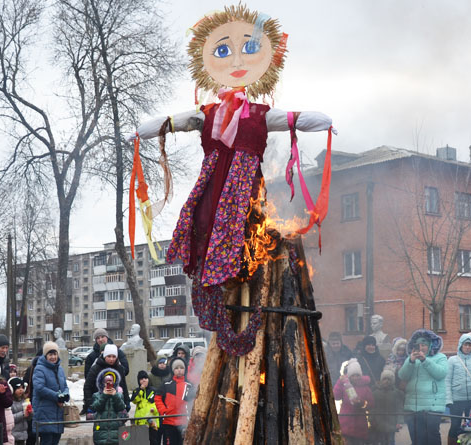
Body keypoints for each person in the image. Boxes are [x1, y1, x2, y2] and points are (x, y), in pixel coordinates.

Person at [135, 5, 333, 355]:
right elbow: (172, 122)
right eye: (223, 51)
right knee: (204, 223)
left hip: (243, 188)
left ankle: (236, 276)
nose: (237, 60)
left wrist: (322, 122)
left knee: (240, 228)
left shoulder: (259, 113)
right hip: (213, 185)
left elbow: (296, 119)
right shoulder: (207, 114)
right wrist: (145, 131)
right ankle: (217, 292)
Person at [397, 328, 447, 445]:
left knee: (432, 437)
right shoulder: (410, 358)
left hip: (432, 406)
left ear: (430, 345)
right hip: (413, 405)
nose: (421, 347)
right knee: (416, 438)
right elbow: (402, 375)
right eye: (418, 345)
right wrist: (411, 362)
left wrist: (425, 360)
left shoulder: (440, 357)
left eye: (424, 345)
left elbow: (441, 373)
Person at [446, 333, 471, 444]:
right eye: (465, 345)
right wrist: (448, 399)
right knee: (455, 425)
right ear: (460, 345)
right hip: (456, 399)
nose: (467, 347)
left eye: (469, 345)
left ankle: (469, 443)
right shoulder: (452, 360)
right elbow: (447, 381)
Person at [31, 342, 70, 445]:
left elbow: (65, 386)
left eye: (55, 354)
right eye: (50, 354)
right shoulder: (39, 368)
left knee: (55, 441)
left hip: (58, 413)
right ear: (45, 355)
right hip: (45, 413)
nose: (53, 357)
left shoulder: (60, 369)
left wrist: (65, 395)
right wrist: (57, 397)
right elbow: (39, 388)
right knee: (47, 441)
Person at [333, 358, 373, 445]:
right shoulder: (344, 385)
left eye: (357, 375)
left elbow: (371, 404)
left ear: (360, 375)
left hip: (360, 424)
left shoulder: (366, 387)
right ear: (349, 376)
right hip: (345, 422)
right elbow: (336, 397)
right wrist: (340, 382)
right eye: (353, 375)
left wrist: (362, 403)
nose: (355, 377)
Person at [154, 357, 193, 445]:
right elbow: (157, 397)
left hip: (184, 422)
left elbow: (193, 401)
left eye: (181, 368)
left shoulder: (189, 385)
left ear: (185, 369)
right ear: (172, 370)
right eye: (176, 368)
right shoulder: (166, 384)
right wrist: (163, 411)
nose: (179, 370)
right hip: (169, 421)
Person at [84, 344, 129, 415]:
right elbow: (87, 386)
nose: (111, 359)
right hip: (99, 403)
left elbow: (123, 385)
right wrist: (89, 403)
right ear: (104, 356)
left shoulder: (119, 368)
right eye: (109, 356)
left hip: (116, 403)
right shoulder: (96, 368)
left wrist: (127, 401)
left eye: (114, 356)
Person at [91, 369, 127, 445]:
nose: (108, 384)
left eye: (111, 382)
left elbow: (121, 407)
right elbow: (96, 407)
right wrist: (104, 395)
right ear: (102, 383)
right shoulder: (96, 395)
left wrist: (115, 396)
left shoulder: (119, 395)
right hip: (101, 432)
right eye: (106, 382)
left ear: (114, 383)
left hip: (116, 431)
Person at [369, 369, 401, 445]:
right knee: (381, 441)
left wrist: (399, 421)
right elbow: (372, 408)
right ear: (381, 380)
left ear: (392, 381)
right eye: (384, 379)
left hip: (392, 424)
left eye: (389, 379)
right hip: (379, 424)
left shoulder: (396, 393)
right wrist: (371, 419)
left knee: (391, 441)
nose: (386, 381)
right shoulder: (375, 393)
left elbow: (399, 408)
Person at [131, 370, 160, 445]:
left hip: (152, 421)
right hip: (141, 421)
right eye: (141, 379)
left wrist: (154, 410)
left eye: (145, 378)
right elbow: (134, 400)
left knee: (154, 441)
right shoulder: (136, 391)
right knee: (141, 442)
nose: (144, 380)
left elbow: (159, 403)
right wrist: (141, 390)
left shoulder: (154, 390)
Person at [9, 377, 31, 445]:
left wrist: (30, 412)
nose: (21, 390)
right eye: (18, 388)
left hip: (23, 434)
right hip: (13, 434)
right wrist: (23, 414)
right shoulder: (10, 402)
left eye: (22, 388)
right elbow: (10, 418)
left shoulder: (24, 401)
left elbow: (29, 418)